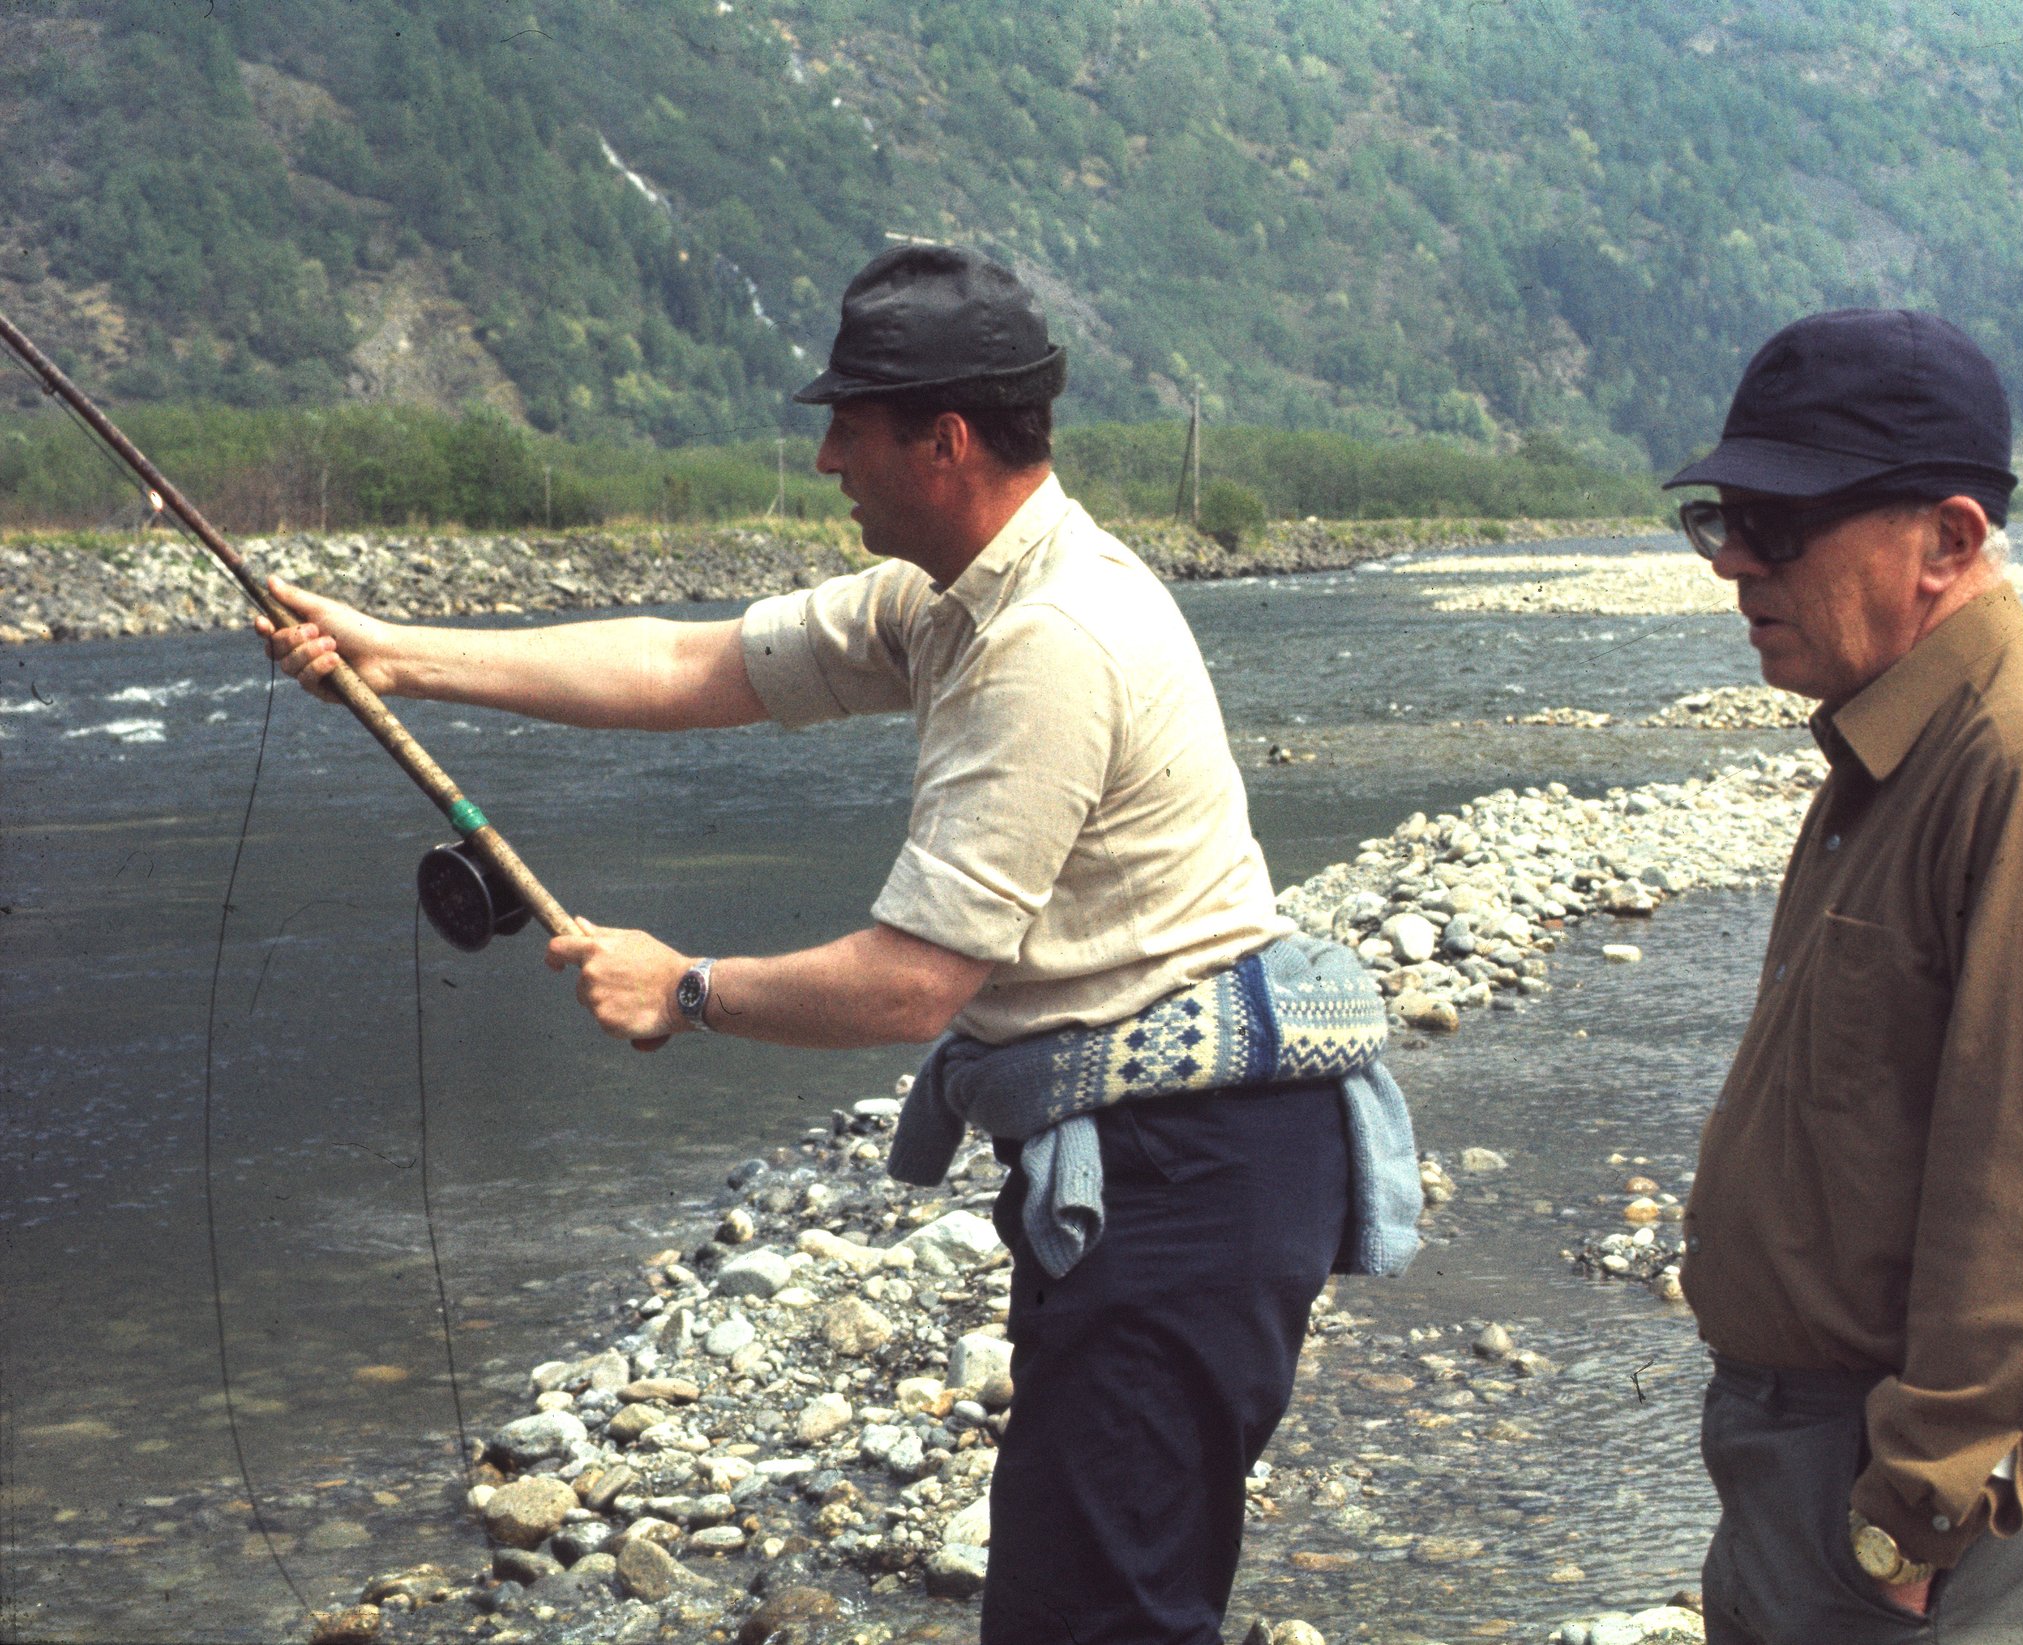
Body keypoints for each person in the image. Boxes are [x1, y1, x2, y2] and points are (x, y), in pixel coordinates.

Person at [260, 244, 1417, 1645]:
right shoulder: (950, 595)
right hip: (1172, 1152)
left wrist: (686, 989)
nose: (823, 459)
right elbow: (686, 667)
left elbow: (915, 981)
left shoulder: (1049, 637)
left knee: (1095, 1616)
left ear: (943, 439)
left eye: (848, 426)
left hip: (1197, 1173)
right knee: (1099, 1594)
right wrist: (403, 652)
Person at [1660, 309, 2023, 1644]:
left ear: (1951, 541)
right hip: (1829, 1463)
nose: (1737, 561)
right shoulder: (1901, 742)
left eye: (1780, 525)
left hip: (1925, 1510)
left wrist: (1911, 1519)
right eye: (1725, 517)